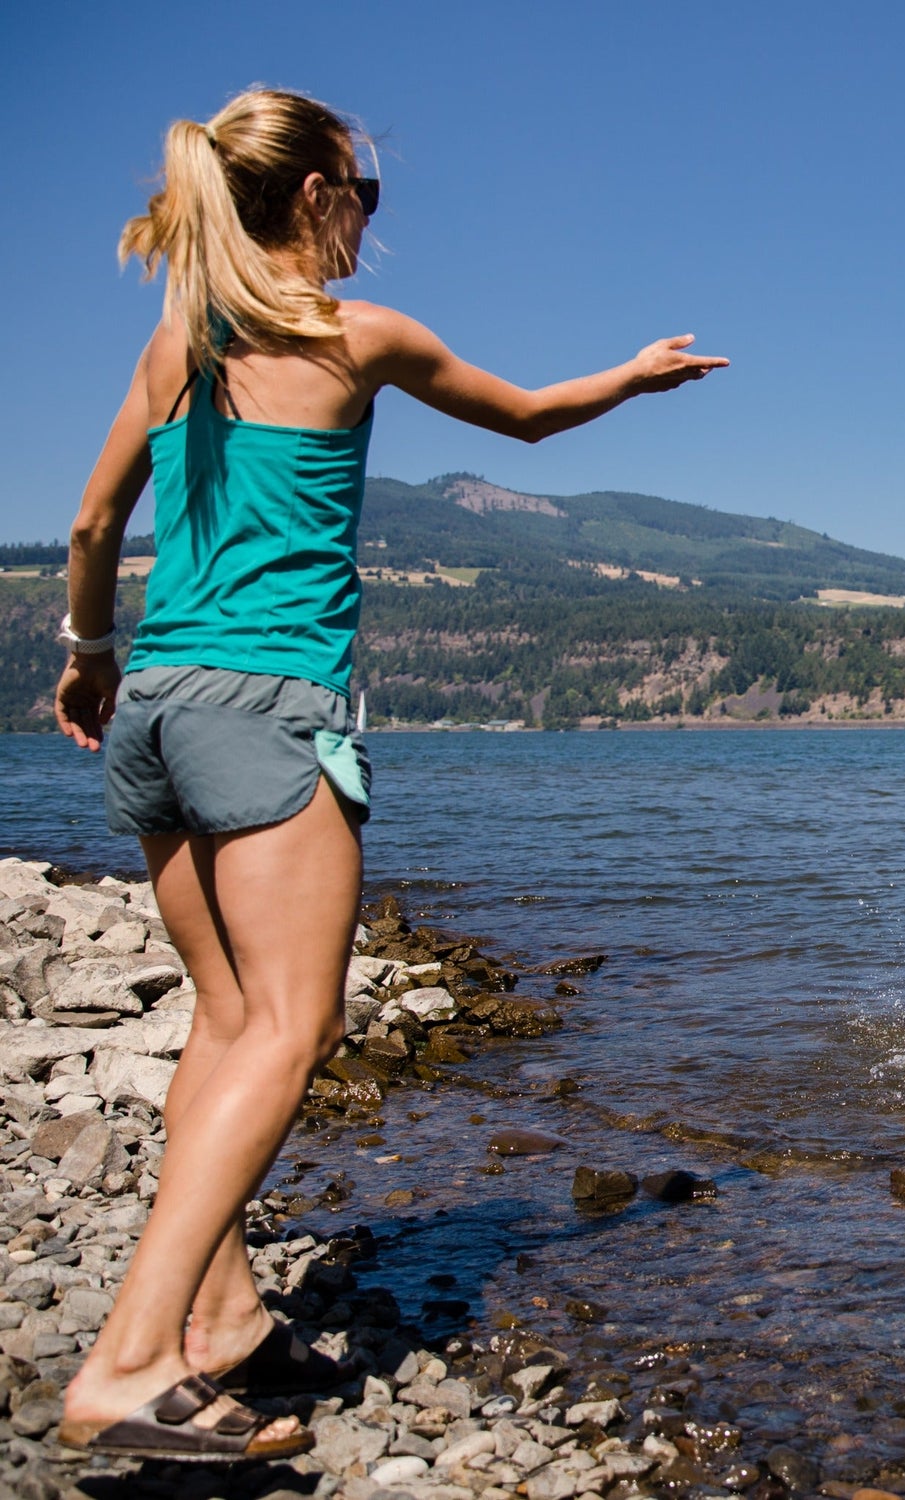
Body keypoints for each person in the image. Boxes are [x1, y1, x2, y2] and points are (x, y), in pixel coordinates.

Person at [54, 86, 726, 1462]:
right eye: (367, 192)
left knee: (228, 1020)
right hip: (264, 712)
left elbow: (87, 521)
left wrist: (83, 655)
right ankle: (126, 1361)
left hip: (156, 713)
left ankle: (225, 1316)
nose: (372, 216)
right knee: (292, 1032)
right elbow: (530, 419)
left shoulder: (172, 347)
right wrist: (636, 377)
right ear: (316, 198)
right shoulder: (354, 337)